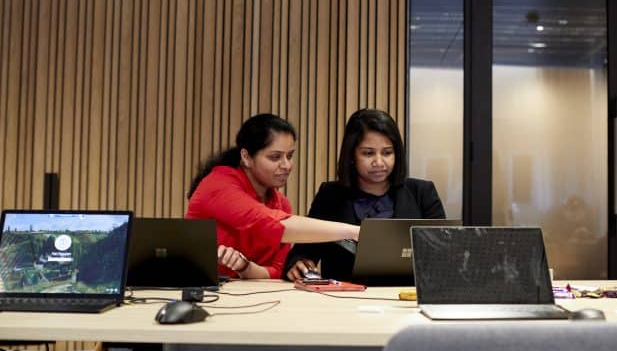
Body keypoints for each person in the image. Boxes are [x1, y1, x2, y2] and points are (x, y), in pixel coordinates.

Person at [186, 113, 359, 279]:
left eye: (290, 156)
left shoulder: (281, 204)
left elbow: (276, 271)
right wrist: (354, 231)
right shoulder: (217, 184)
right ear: (246, 157)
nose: (287, 165)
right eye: (275, 157)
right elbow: (269, 223)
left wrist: (244, 267)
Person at [283, 108, 446, 281]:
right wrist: (300, 263)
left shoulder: (422, 193)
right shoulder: (331, 195)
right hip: (344, 300)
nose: (379, 162)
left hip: (406, 299)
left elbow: (444, 252)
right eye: (368, 153)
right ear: (352, 155)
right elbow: (303, 252)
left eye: (387, 152)